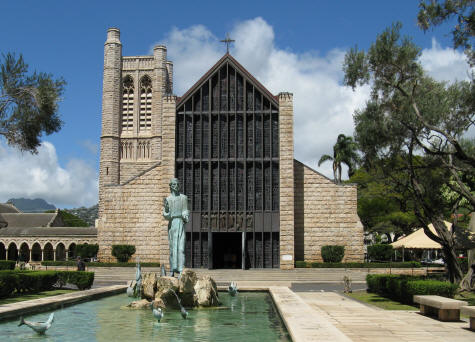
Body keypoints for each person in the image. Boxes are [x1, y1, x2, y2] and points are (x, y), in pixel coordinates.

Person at [163, 178, 189, 277]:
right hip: (172, 224)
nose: (176, 186)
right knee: (172, 248)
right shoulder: (168, 199)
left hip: (180, 223)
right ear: (171, 186)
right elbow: (166, 216)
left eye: (178, 184)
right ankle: (172, 270)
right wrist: (166, 209)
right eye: (174, 184)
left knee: (181, 248)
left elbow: (185, 210)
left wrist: (185, 215)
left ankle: (181, 269)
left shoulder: (184, 198)